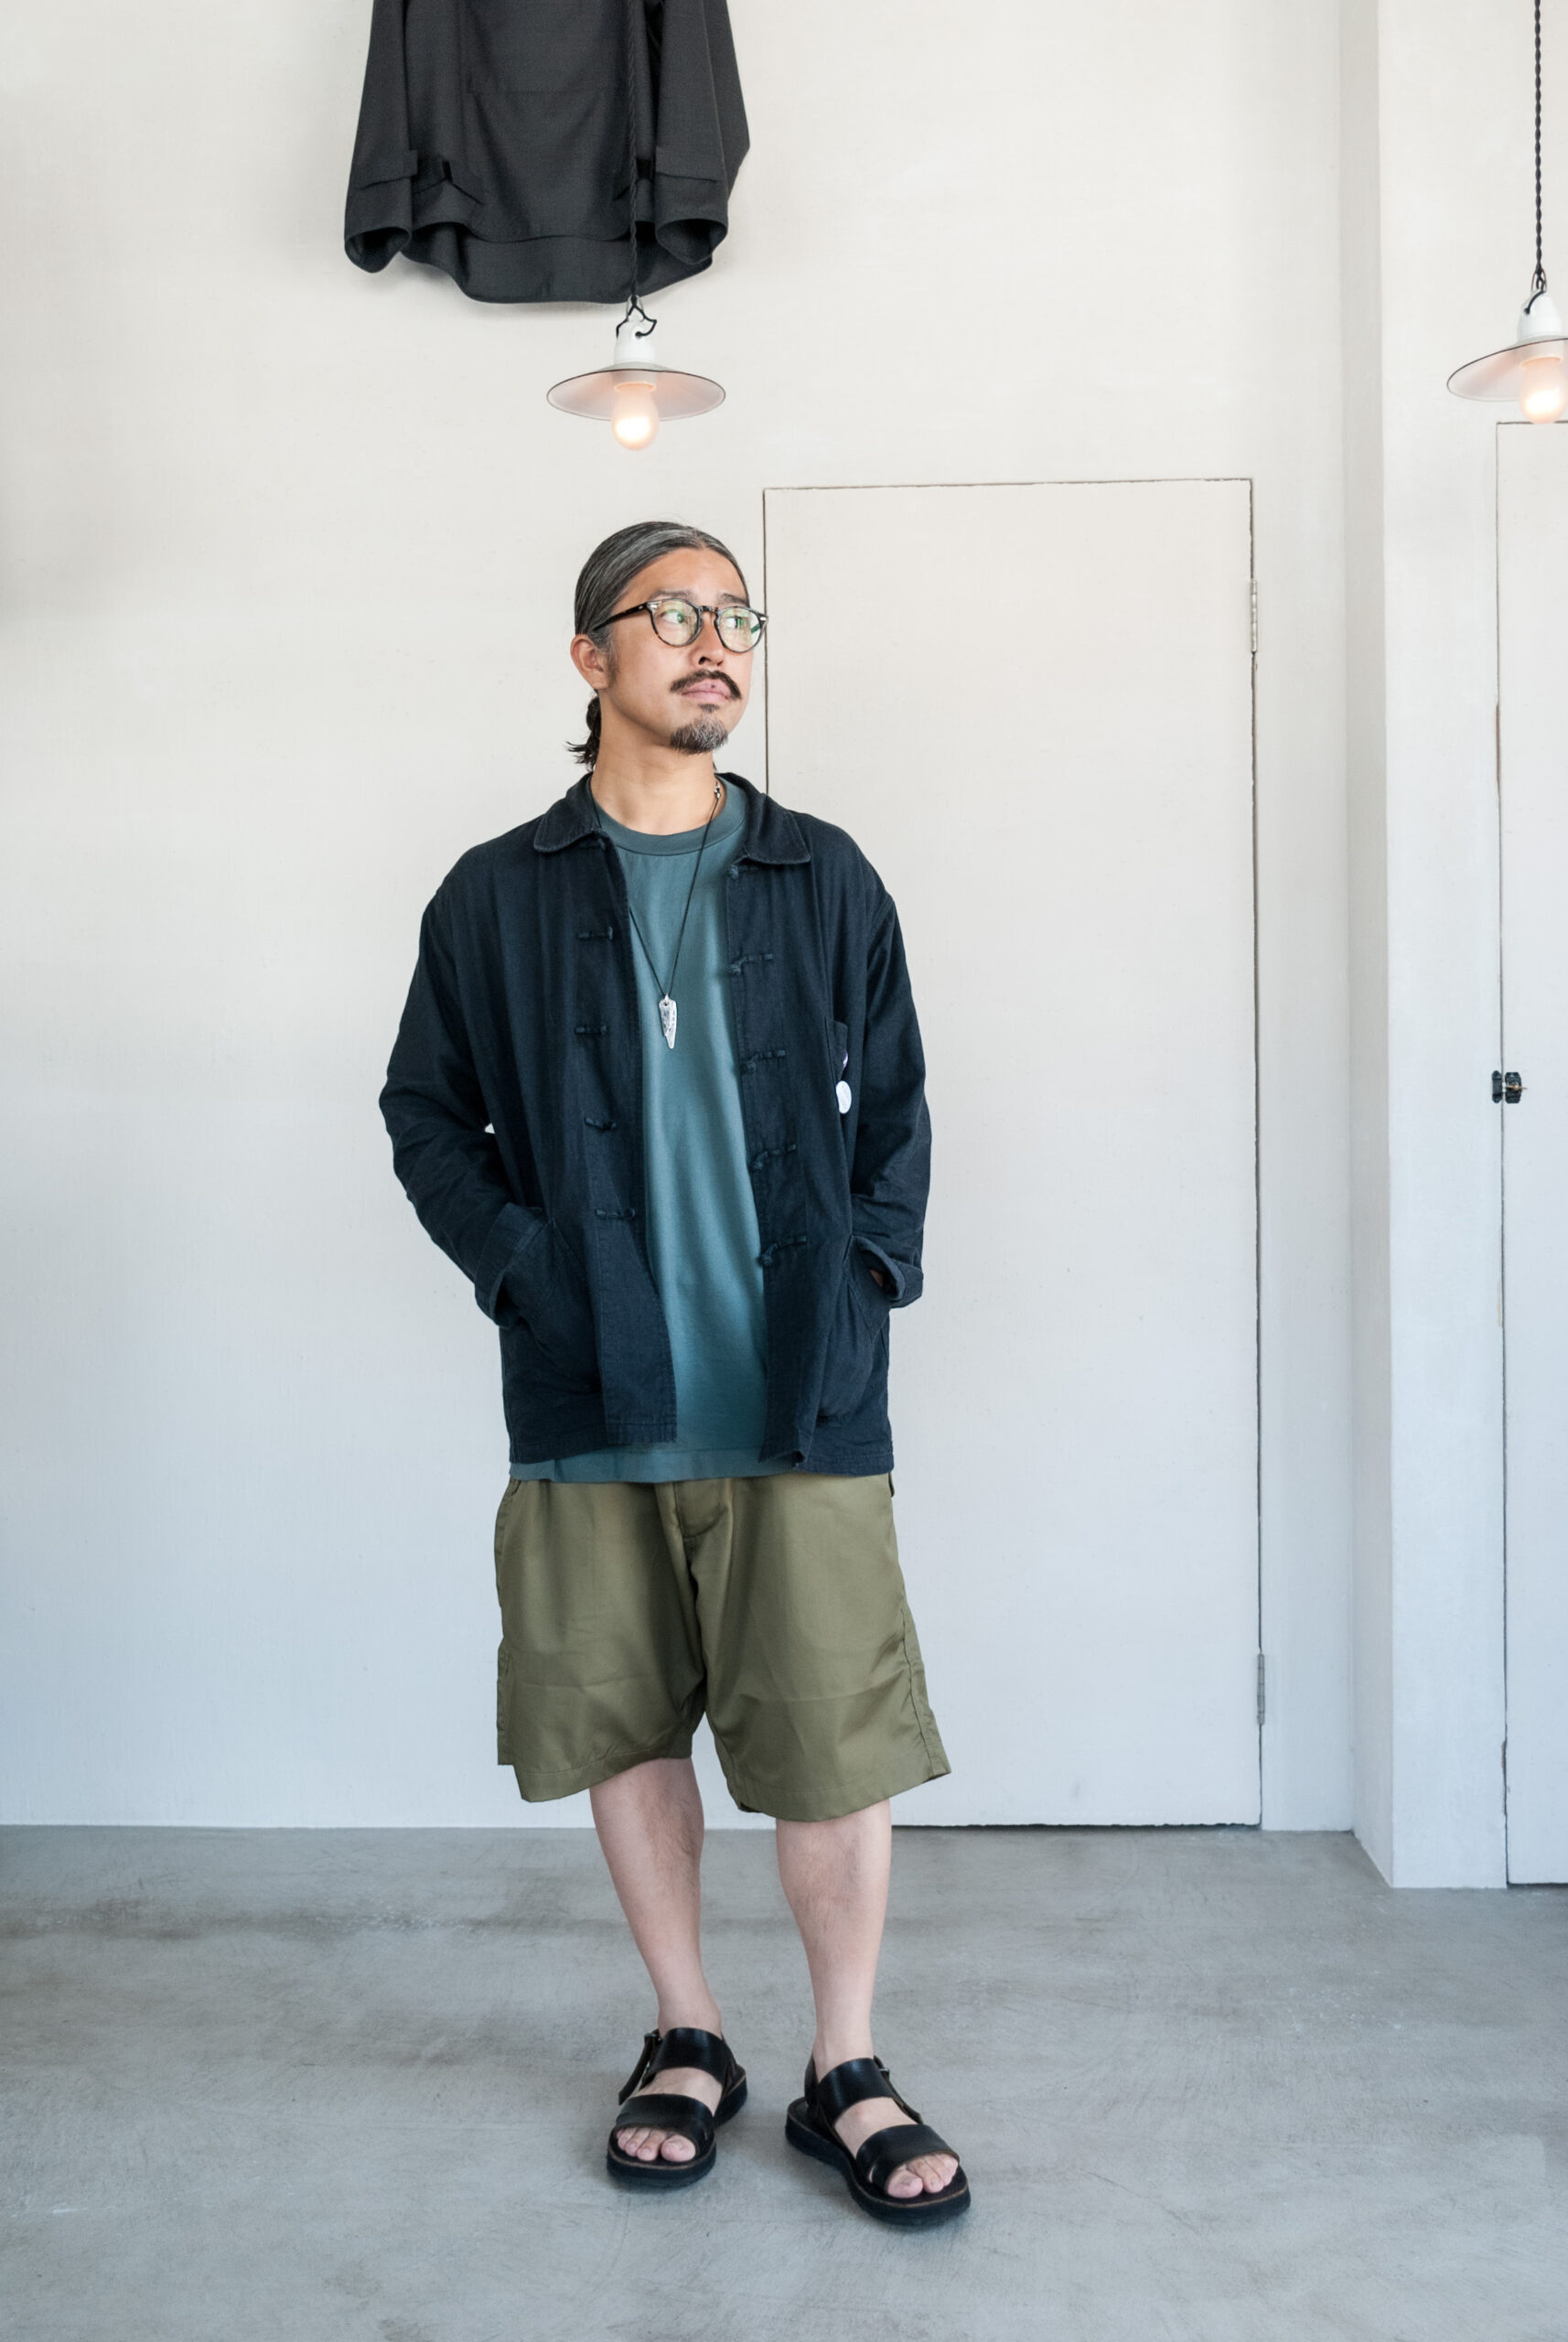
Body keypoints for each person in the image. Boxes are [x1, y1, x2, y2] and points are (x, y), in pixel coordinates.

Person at [380, 520, 968, 2227]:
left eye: (736, 617)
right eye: (674, 615)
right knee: (625, 1724)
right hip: (594, 1388)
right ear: (592, 657)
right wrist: (520, 1268)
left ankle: (844, 2065)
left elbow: (900, 1109)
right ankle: (686, 2032)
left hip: (798, 1394)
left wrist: (870, 1274)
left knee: (833, 1739)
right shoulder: (495, 893)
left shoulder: (820, 873)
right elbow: (425, 1113)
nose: (716, 643)